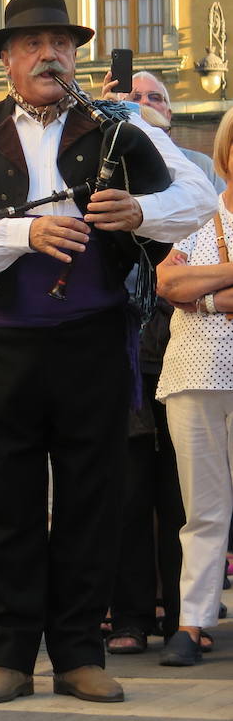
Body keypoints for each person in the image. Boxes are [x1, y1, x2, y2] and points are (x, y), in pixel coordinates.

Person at [0, 0, 215, 704]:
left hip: (91, 339)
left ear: (76, 54)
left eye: (61, 42)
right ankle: (12, 656)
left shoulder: (117, 125)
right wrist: (25, 234)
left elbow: (201, 193)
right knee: (3, 499)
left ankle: (80, 652)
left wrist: (143, 210)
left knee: (92, 496)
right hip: (0, 345)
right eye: (32, 44)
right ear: (8, 61)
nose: (49, 54)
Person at [152, 104, 233, 666]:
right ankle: (193, 619)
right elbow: (166, 280)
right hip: (194, 373)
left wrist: (198, 293)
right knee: (202, 507)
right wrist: (214, 292)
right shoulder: (201, 217)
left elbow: (185, 284)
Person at [120, 71, 219, 187]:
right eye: (135, 97)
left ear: (168, 114)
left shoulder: (202, 165)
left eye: (155, 97)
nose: (145, 102)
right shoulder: (112, 165)